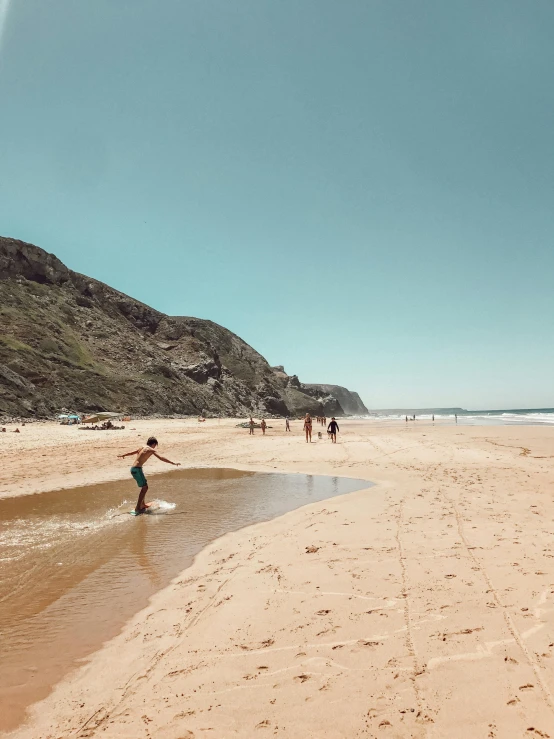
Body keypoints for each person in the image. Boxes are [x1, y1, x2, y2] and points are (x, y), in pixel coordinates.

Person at [118, 437, 180, 514]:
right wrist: (173, 463)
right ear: (153, 444)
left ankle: (143, 504)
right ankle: (138, 508)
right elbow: (161, 458)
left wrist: (123, 455)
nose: (155, 447)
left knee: (144, 486)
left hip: (133, 469)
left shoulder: (142, 447)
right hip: (137, 469)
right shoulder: (150, 449)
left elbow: (132, 452)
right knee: (145, 487)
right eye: (155, 445)